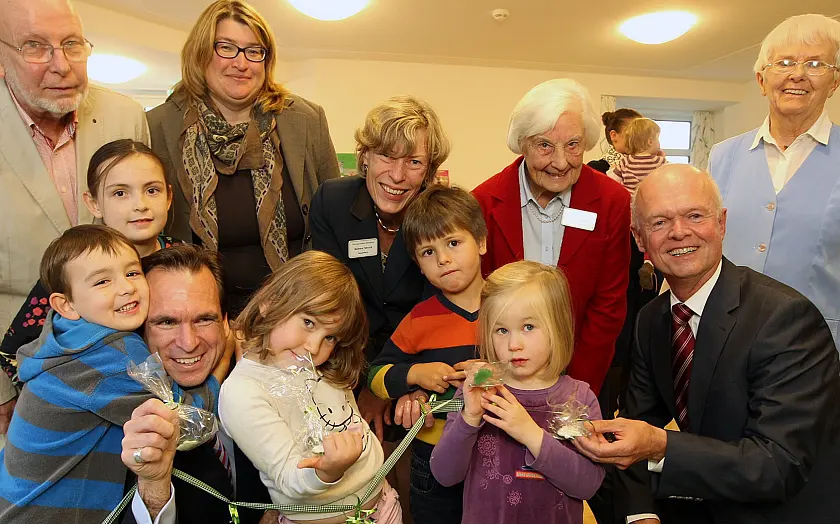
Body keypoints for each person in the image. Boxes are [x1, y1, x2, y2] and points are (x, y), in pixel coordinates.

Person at [573, 165, 840, 524]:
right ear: (639, 239)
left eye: (695, 216)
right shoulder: (652, 319)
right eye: (660, 223)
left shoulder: (785, 318)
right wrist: (642, 516)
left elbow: (777, 467)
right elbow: (634, 428)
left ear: (721, 224)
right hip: (707, 492)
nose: (679, 233)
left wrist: (660, 444)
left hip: (782, 507)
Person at [0, 226, 223, 523]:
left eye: (131, 273)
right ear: (65, 304)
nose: (126, 288)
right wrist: (221, 371)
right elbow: (185, 421)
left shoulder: (66, 338)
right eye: (103, 281)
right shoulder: (112, 353)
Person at [0, 0, 149, 428]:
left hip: (127, 371)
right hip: (22, 378)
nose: (61, 65)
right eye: (35, 47)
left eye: (72, 45)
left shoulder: (126, 116)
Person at [147, 0, 340, 316]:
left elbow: (334, 218)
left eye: (254, 51)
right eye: (226, 47)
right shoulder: (158, 126)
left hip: (295, 308)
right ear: (201, 53)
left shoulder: (305, 119)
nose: (242, 63)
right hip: (200, 314)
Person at [310, 95, 451, 518]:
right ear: (365, 156)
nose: (397, 175)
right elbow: (332, 301)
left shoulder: (440, 213)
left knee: (410, 489)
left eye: (414, 162)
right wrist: (367, 385)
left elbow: (441, 307)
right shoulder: (332, 202)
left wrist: (393, 383)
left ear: (428, 170)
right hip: (344, 363)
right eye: (387, 157)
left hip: (419, 372)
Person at [218, 251, 402, 523]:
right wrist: (327, 471)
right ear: (270, 303)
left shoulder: (325, 364)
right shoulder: (242, 392)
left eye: (330, 337)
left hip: (385, 507)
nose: (314, 347)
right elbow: (288, 478)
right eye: (308, 322)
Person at [473, 78, 631, 395]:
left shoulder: (612, 201)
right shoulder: (484, 202)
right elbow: (479, 300)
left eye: (573, 145)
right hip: (504, 375)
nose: (560, 162)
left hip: (581, 372)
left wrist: (578, 389)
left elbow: (608, 306)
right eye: (545, 145)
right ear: (522, 143)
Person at [430, 260, 605, 524]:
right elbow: (444, 474)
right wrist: (469, 419)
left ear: (556, 328)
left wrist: (529, 433)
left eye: (529, 327)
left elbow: (587, 485)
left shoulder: (578, 398)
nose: (514, 344)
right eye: (501, 330)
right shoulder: (479, 392)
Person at [1, 139, 179, 386]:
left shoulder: (187, 258)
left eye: (152, 190)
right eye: (120, 193)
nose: (140, 205)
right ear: (93, 203)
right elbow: (13, 352)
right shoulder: (72, 266)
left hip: (176, 395)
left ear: (169, 196)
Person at [708, 14, 840, 343]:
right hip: (726, 342)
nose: (798, 74)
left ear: (834, 82)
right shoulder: (722, 155)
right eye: (784, 62)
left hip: (818, 349)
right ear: (761, 79)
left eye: (815, 64)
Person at [121, 244, 272, 524]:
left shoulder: (262, 382)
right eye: (166, 322)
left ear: (227, 322)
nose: (188, 343)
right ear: (139, 330)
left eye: (204, 319)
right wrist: (154, 487)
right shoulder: (125, 408)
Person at [367, 185, 486, 524]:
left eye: (453, 243)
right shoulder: (419, 319)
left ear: (481, 241)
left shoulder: (509, 306)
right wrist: (415, 375)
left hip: (497, 453)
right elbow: (376, 375)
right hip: (432, 459)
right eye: (428, 252)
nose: (443, 259)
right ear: (419, 265)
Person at [611, 118, 666, 196]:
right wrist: (663, 158)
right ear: (650, 142)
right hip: (652, 201)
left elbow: (613, 182)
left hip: (629, 202)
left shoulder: (626, 161)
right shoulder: (659, 162)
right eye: (657, 138)